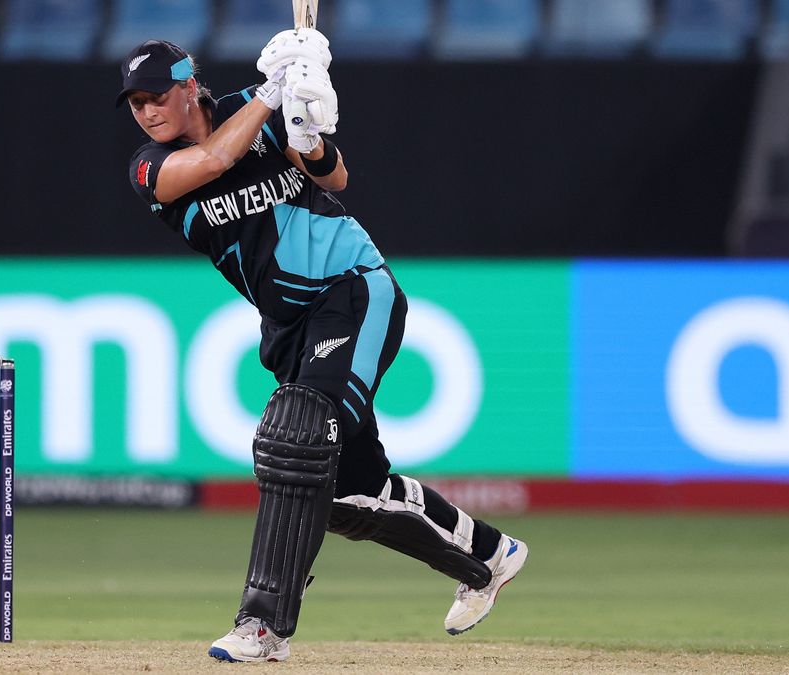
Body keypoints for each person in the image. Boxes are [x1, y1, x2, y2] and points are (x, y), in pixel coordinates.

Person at [119, 34, 528, 664]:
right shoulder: (151, 164)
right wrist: (272, 92)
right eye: (136, 102)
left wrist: (306, 134)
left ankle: (263, 625)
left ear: (188, 85)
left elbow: (335, 176)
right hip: (288, 326)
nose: (147, 111)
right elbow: (207, 165)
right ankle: (487, 558)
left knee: (295, 436)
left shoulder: (249, 112)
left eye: (157, 95)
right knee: (345, 492)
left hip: (353, 289)